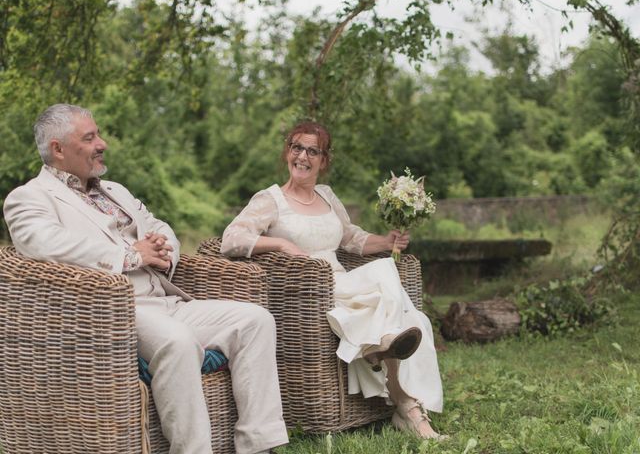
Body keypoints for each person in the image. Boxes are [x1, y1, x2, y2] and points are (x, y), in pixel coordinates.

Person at [3, 104, 288, 454]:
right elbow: (45, 244)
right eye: (90, 137)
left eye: (99, 134)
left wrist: (163, 247)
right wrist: (132, 255)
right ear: (58, 149)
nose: (102, 143)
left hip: (166, 299)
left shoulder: (115, 190)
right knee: (178, 341)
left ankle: (260, 445)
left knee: (256, 320)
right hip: (113, 311)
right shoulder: (28, 198)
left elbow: (156, 225)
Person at [221, 121, 445, 439]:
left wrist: (387, 241)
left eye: (313, 151)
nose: (303, 156)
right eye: (297, 147)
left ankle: (383, 354)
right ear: (287, 152)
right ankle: (406, 403)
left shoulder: (326, 195)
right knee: (391, 285)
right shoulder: (271, 200)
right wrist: (281, 244)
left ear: (323, 161)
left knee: (401, 294)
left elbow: (350, 238)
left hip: (343, 282)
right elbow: (231, 239)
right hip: (311, 292)